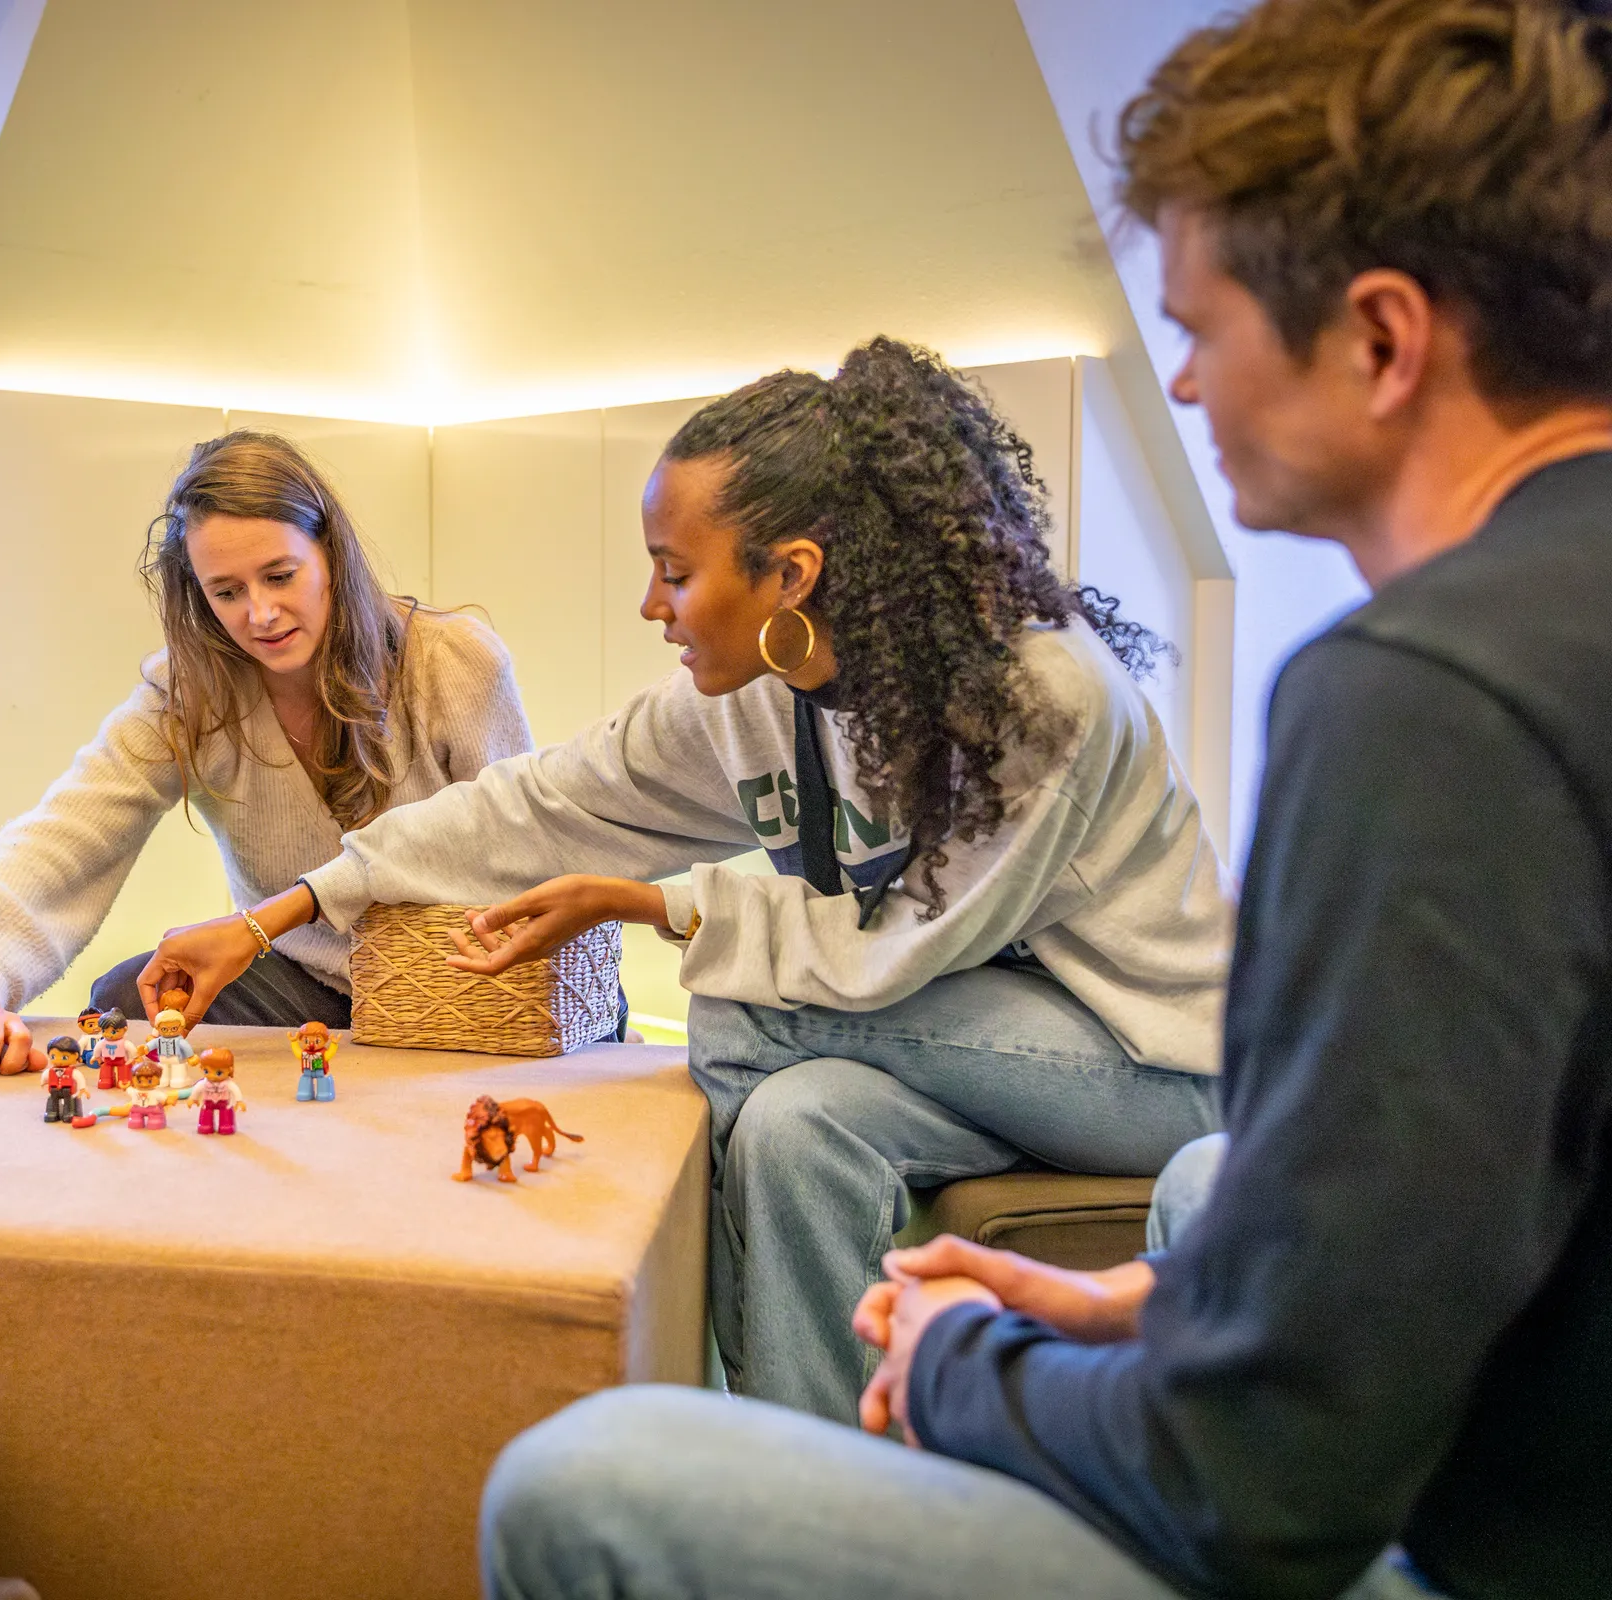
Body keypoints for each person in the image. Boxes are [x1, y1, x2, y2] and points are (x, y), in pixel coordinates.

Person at [479, 1, 1612, 1596]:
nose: (1192, 387)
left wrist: (962, 1364)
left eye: (1203, 330)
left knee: (583, 1479)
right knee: (833, 1124)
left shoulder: (1424, 697)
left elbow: (1268, 1484)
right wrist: (1153, 1308)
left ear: (1378, 337)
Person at [149, 338, 1232, 1422]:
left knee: (736, 1012)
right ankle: (806, 1473)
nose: (651, 605)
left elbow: (902, 945)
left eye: (676, 570)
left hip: (1157, 1064)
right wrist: (273, 918)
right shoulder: (753, 697)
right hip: (974, 1048)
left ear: (792, 574)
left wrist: (655, 902)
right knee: (794, 1127)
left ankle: (695, 1408)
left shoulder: (1041, 696)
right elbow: (534, 806)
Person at [0, 431, 533, 1075]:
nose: (262, 613)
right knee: (125, 999)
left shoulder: (455, 659)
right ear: (199, 595)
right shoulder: (189, 694)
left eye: (280, 576)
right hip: (313, 983)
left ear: (330, 555)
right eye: (227, 592)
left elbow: (514, 857)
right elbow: (71, 827)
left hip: (465, 984)